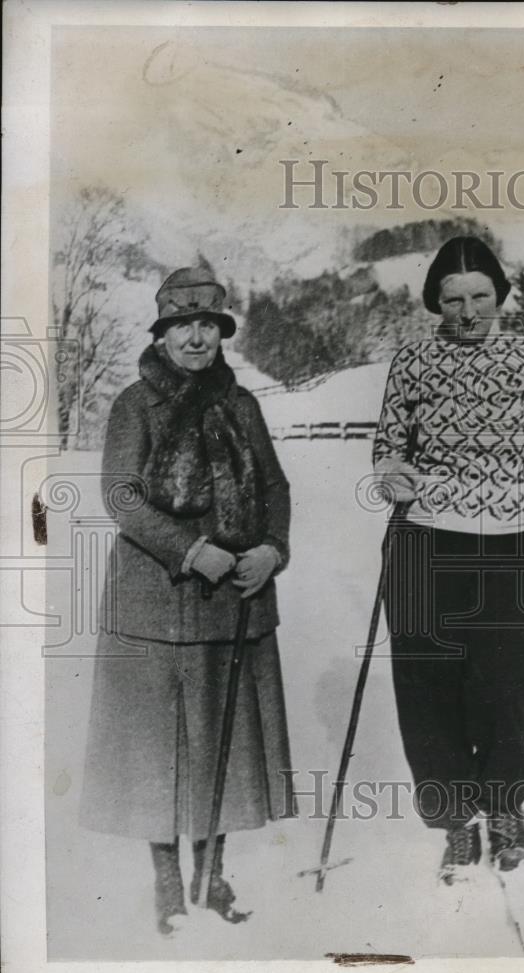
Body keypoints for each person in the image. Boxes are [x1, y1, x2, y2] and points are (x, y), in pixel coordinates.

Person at [373, 236, 524, 884]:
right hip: (424, 540)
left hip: (510, 542)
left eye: (480, 297)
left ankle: (502, 807)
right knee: (427, 687)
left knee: (505, 685)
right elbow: (389, 444)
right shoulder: (413, 360)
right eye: (453, 300)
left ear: (499, 295)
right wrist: (391, 472)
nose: (468, 311)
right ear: (435, 303)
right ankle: (454, 819)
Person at [80, 266, 295, 935]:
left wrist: (272, 549)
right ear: (162, 332)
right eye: (183, 326)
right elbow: (121, 498)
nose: (197, 338)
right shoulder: (134, 405)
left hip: (234, 602)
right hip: (155, 603)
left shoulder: (243, 405)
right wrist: (191, 549)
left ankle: (213, 874)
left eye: (209, 325)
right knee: (159, 747)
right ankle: (169, 884)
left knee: (223, 744)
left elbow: (278, 489)